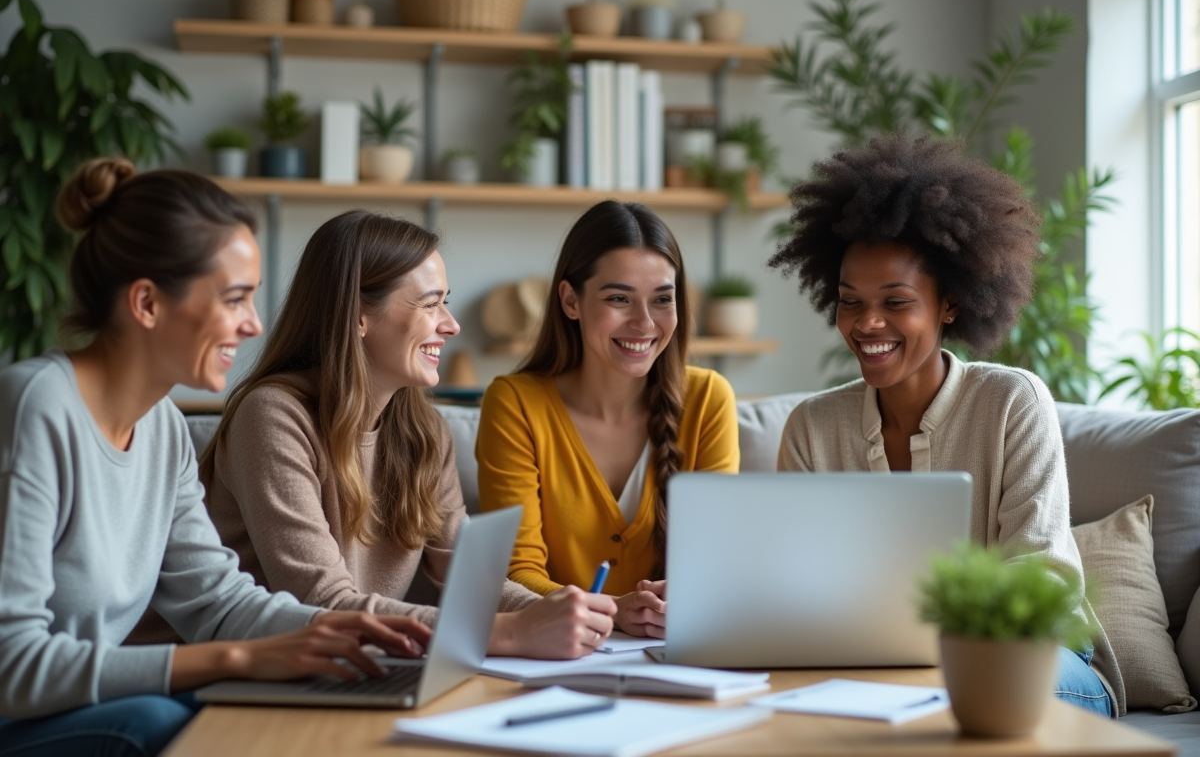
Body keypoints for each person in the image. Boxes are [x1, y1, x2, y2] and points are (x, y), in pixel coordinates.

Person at [0, 160, 430, 757]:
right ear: (147, 303)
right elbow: (11, 662)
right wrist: (237, 659)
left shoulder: (162, 426)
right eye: (234, 299)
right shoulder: (35, 408)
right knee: (157, 720)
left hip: (82, 706)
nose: (253, 324)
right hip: (22, 712)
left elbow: (216, 601)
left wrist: (334, 628)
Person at [768, 132, 1122, 717]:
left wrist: (938, 633)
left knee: (958, 687)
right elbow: (793, 578)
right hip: (877, 663)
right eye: (850, 301)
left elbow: (1043, 576)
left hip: (1029, 657)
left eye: (895, 301)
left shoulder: (1012, 401)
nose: (867, 323)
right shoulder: (812, 426)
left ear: (949, 304)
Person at [202, 210, 616, 659]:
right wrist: (512, 632)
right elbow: (322, 604)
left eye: (446, 302)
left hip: (345, 668)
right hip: (237, 673)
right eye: (430, 304)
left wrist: (579, 615)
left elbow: (473, 582)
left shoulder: (424, 433)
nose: (451, 325)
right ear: (358, 315)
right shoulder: (273, 417)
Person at [476, 201, 740, 639]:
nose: (644, 323)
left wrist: (685, 599)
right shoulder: (516, 404)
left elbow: (715, 562)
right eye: (619, 298)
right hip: (562, 652)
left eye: (662, 299)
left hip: (675, 650)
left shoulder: (709, 398)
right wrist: (614, 610)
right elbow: (517, 573)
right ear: (570, 301)